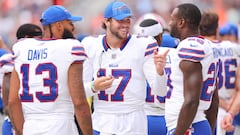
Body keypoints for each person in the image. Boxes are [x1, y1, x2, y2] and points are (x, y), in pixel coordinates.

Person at [81, 1, 168, 134]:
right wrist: (94, 86)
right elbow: (79, 92)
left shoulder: (144, 44)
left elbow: (160, 92)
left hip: (133, 124)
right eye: (120, 21)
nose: (125, 25)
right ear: (107, 21)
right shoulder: (90, 45)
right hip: (101, 122)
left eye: (128, 20)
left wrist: (160, 72)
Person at [8, 5, 93, 135]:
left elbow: (13, 101)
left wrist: (21, 131)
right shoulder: (70, 48)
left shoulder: (23, 48)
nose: (73, 28)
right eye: (70, 23)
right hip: (61, 127)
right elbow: (79, 103)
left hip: (31, 127)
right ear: (59, 26)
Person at [154, 3, 219, 135]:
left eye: (173, 19)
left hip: (188, 127)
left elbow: (191, 100)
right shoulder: (207, 45)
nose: (170, 23)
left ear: (181, 22)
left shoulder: (190, 46)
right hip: (197, 125)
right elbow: (214, 99)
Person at [200, 11, 240, 135]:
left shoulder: (199, 48)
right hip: (230, 110)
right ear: (217, 28)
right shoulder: (235, 48)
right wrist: (230, 110)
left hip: (206, 111)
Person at [1, 23, 43, 135]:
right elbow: (9, 100)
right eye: (38, 38)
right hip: (16, 122)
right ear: (27, 39)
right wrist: (18, 129)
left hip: (36, 121)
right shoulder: (12, 60)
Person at [134, 18, 167, 135]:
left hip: (140, 118)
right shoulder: (174, 53)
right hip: (168, 117)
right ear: (160, 37)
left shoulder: (132, 57)